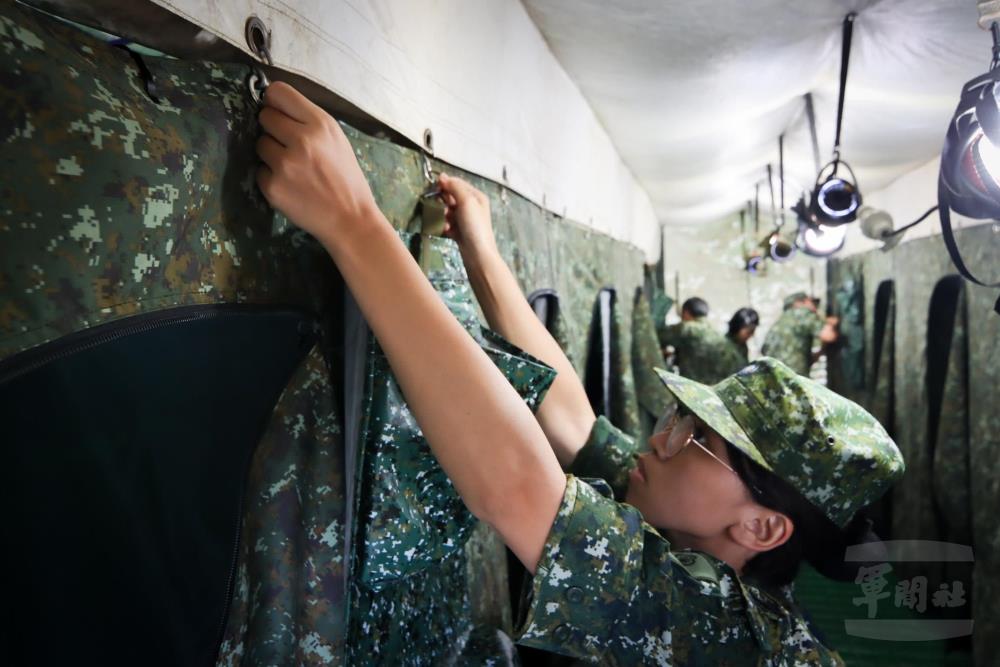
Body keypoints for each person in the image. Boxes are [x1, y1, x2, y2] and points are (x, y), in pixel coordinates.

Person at [253, 82, 905, 664]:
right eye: (677, 416)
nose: (659, 436)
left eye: (695, 436)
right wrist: (483, 257)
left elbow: (516, 486)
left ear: (761, 527)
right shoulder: (679, 512)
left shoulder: (732, 637)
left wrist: (354, 222)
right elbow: (569, 415)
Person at [659, 297, 746, 384]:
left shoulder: (687, 328)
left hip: (692, 390)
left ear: (686, 313)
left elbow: (657, 337)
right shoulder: (718, 334)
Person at [762, 292, 840, 376]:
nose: (815, 306)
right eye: (811, 302)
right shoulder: (801, 313)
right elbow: (829, 336)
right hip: (794, 377)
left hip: (776, 375)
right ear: (799, 303)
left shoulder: (782, 320)